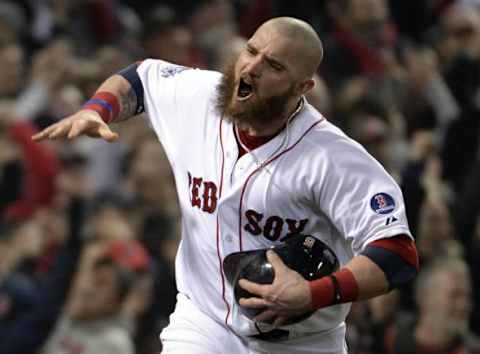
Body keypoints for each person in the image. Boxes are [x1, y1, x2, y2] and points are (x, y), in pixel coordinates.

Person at [33, 17, 419, 354]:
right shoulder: (200, 97)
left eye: (273, 66)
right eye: (251, 51)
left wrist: (312, 293)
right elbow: (140, 77)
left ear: (303, 87)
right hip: (204, 324)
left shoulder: (332, 157)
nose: (251, 68)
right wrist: (97, 108)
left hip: (304, 342)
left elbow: (398, 253)